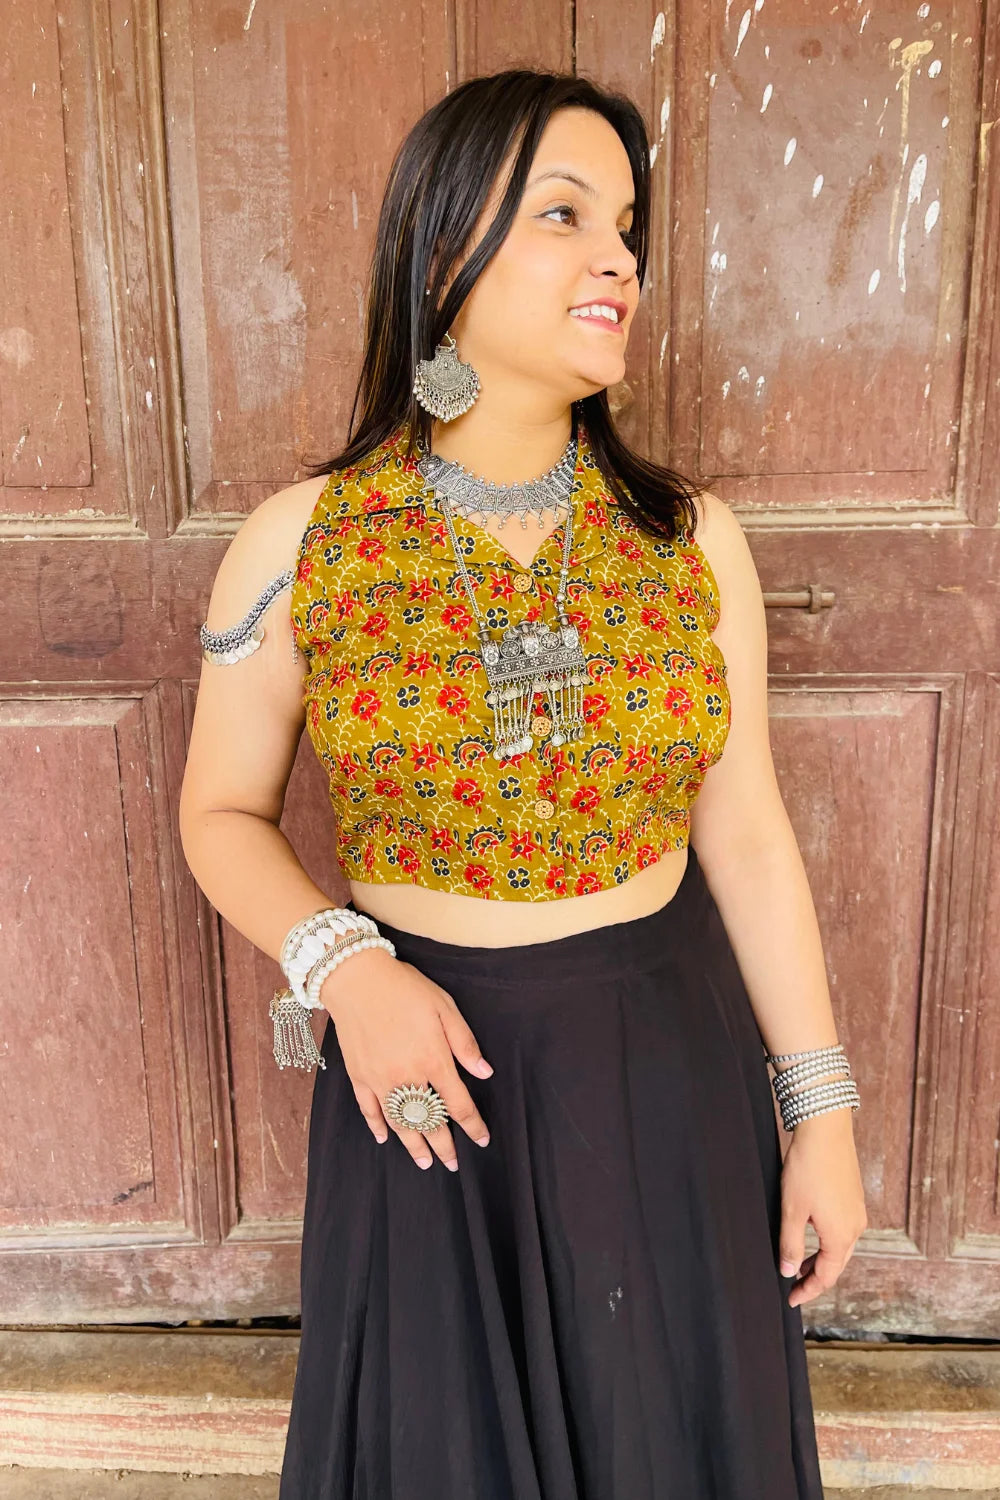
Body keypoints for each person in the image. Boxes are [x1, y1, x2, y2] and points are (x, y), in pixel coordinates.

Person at [180, 68, 867, 1500]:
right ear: (443, 252)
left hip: (665, 1070)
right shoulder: (312, 541)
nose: (617, 255)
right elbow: (219, 814)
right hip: (429, 1081)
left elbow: (743, 829)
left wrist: (823, 1114)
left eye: (626, 223)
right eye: (565, 214)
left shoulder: (687, 541)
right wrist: (344, 969)